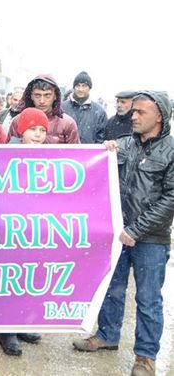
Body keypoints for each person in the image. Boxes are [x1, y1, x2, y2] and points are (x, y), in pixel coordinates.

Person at [73, 91, 173, 376]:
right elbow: (99, 177)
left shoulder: (171, 151)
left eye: (141, 112)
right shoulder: (123, 145)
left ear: (160, 116)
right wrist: (102, 152)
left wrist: (136, 229)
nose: (134, 116)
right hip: (117, 236)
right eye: (133, 111)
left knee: (148, 299)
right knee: (112, 289)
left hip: (150, 240)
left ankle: (145, 356)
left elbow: (171, 200)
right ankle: (107, 336)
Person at [0, 107, 49, 355]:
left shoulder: (50, 155)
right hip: (11, 226)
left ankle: (21, 324)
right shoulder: (6, 154)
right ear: (20, 130)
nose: (38, 135)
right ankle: (6, 331)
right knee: (11, 280)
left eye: (42, 130)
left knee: (29, 279)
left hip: (34, 227)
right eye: (33, 129)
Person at [7, 75, 80, 144]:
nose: (42, 101)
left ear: (55, 96)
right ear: (31, 96)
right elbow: (8, 153)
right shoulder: (18, 120)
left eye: (47, 95)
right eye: (37, 95)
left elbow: (76, 154)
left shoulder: (67, 123)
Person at [61, 71, 107, 143]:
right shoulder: (62, 107)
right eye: (78, 85)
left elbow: (101, 137)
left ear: (89, 88)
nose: (80, 89)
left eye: (84, 86)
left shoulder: (99, 111)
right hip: (65, 152)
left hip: (90, 153)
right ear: (74, 87)